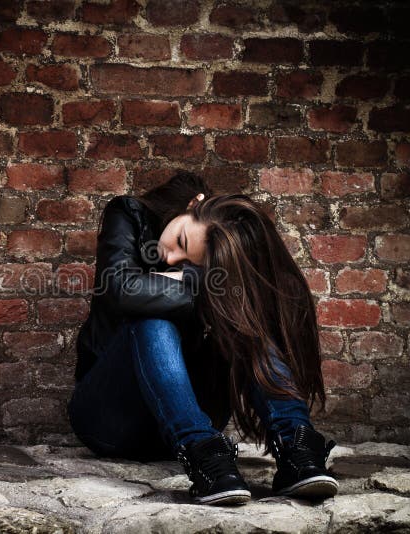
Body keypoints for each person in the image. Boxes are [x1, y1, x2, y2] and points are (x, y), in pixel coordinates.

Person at [67, 171, 338, 506]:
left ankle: (298, 449)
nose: (169, 259)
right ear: (194, 204)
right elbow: (122, 289)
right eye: (181, 242)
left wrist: (197, 280)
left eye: (188, 262)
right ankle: (204, 454)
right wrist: (207, 284)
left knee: (244, 315)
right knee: (154, 316)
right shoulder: (129, 214)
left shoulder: (220, 266)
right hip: (110, 416)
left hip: (196, 413)